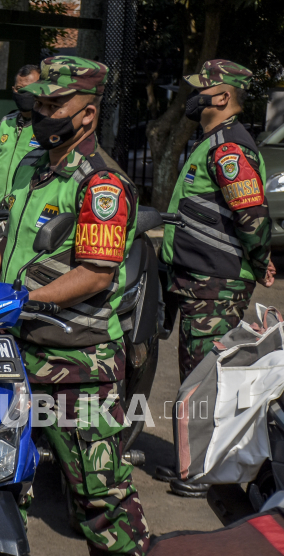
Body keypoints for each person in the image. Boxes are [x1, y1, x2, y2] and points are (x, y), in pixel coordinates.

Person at [0, 56, 150, 555]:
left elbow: (96, 273)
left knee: (99, 496)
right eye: (41, 103)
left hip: (77, 362)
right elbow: (13, 239)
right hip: (14, 352)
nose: (43, 113)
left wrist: (22, 298)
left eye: (56, 104)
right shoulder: (33, 166)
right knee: (3, 479)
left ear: (88, 114)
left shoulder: (101, 183)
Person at [154, 59, 275, 497]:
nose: (191, 97)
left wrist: (260, 260)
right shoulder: (212, 143)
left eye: (199, 90)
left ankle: (203, 472)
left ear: (221, 97)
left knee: (208, 378)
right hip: (200, 279)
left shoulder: (228, 148)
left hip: (217, 281)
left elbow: (253, 215)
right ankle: (193, 464)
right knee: (196, 375)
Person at [0, 64, 41, 206]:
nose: (25, 93)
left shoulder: (46, 126)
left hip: (26, 210)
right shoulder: (5, 123)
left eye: (30, 89)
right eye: (20, 89)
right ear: (13, 90)